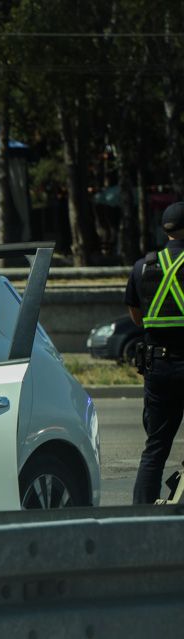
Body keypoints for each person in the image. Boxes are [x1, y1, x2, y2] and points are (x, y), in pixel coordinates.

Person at [126, 200, 184, 503]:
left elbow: (136, 316)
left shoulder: (143, 267)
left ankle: (140, 517)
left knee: (156, 447)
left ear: (166, 230)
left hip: (158, 364)